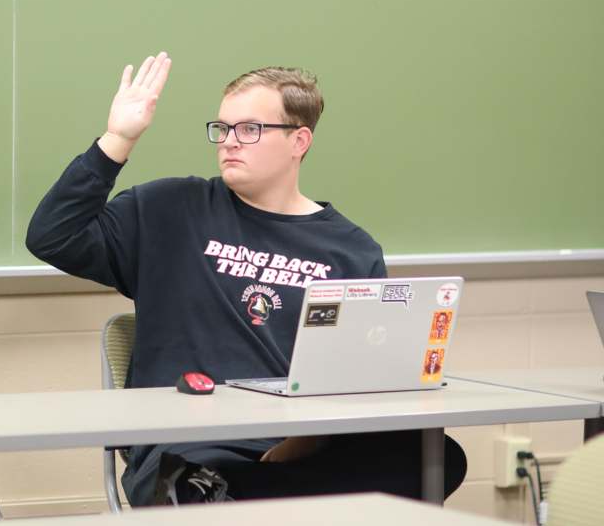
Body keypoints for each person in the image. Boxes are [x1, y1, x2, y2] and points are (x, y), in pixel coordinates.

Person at [26, 52, 466, 506]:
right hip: (193, 443)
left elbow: (365, 382)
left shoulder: (351, 250)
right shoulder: (169, 209)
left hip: (302, 446)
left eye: (250, 129)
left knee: (437, 455)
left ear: (299, 141)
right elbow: (52, 236)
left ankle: (242, 495)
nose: (229, 142)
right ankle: (227, 493)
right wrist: (117, 138)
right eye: (223, 128)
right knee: (201, 475)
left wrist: (306, 440)